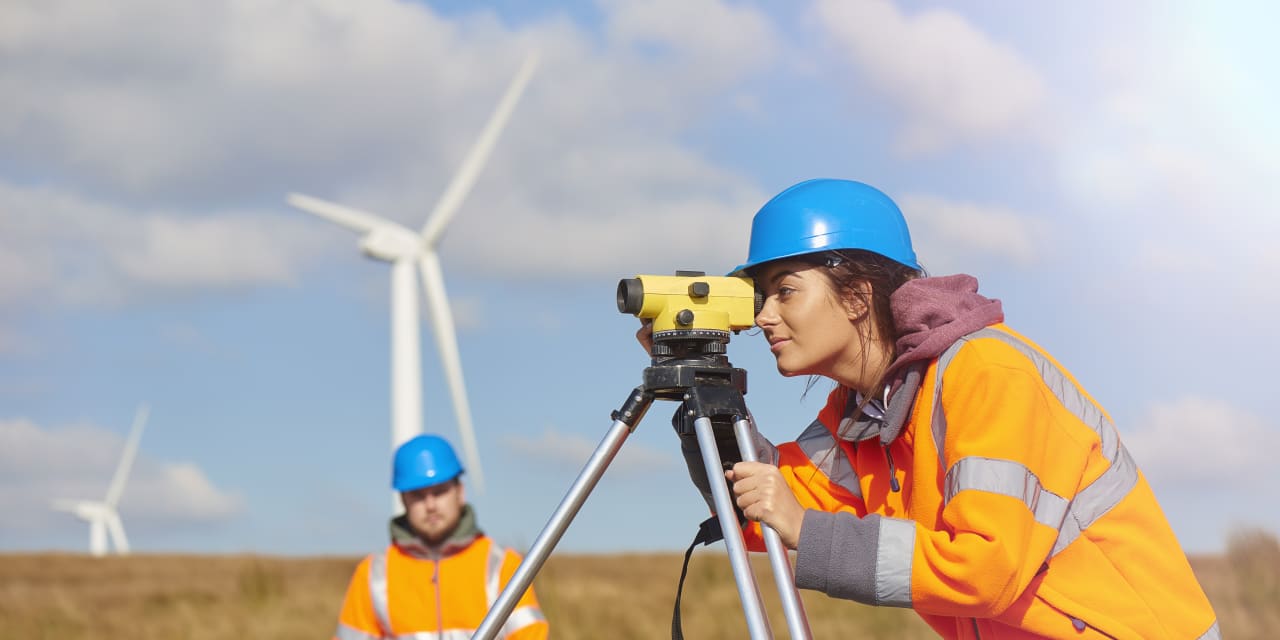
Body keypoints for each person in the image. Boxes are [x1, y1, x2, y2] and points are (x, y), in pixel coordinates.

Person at [645, 178, 1219, 639]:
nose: (764, 316)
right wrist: (706, 397)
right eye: (760, 296)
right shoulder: (866, 414)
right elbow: (765, 511)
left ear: (857, 295)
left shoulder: (987, 373)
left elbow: (985, 569)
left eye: (785, 290)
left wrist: (807, 530)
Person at [333, 434, 547, 640]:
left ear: (459, 492)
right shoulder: (373, 575)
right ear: (403, 500)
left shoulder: (502, 566)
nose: (431, 505)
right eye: (418, 495)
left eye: (439, 491)